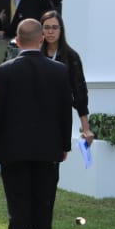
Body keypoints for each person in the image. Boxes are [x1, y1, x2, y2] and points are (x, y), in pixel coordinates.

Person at [0, 19, 72, 229]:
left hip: (14, 150)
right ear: (42, 39)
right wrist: (64, 145)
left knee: (19, 208)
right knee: (44, 208)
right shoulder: (59, 71)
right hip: (48, 151)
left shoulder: (5, 71)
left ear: (17, 41)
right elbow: (64, 112)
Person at [39, 11, 95, 146]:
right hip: (36, 113)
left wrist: (86, 129)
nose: (50, 32)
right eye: (46, 27)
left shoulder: (71, 56)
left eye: (54, 27)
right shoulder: (35, 54)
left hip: (59, 115)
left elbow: (79, 92)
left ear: (61, 30)